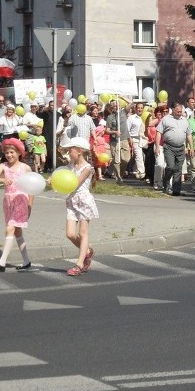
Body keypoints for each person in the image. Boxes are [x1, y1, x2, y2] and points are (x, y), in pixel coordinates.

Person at [0, 138, 34, 272]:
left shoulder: (25, 168)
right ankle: (26, 261)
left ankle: (2, 261)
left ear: (19, 152)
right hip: (8, 201)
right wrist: (2, 179)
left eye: (12, 152)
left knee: (9, 229)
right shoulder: (3, 166)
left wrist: (30, 205)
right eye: (7, 152)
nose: (9, 155)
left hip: (21, 200)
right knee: (17, 231)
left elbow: (32, 188)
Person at [59, 137, 99, 276]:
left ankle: (79, 264)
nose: (69, 152)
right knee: (70, 234)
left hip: (83, 201)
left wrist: (63, 181)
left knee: (83, 233)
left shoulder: (87, 168)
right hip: (71, 201)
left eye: (71, 150)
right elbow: (62, 176)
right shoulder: (71, 165)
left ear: (80, 151)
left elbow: (74, 183)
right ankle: (87, 251)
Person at [155, 102, 195, 196]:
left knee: (178, 169)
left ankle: (176, 190)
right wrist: (157, 147)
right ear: (172, 110)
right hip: (169, 147)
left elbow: (188, 135)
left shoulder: (185, 121)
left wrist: (191, 147)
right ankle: (166, 185)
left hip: (181, 148)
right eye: (177, 111)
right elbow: (158, 133)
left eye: (181, 111)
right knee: (170, 167)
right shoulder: (166, 119)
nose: (179, 113)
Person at [105, 99, 130, 183]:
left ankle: (121, 174)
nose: (116, 107)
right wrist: (114, 132)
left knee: (126, 159)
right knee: (116, 160)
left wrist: (122, 97)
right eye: (114, 106)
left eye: (117, 105)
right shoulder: (110, 117)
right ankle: (118, 177)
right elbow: (107, 130)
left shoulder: (123, 112)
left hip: (124, 139)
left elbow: (131, 103)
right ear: (111, 107)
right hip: (114, 141)